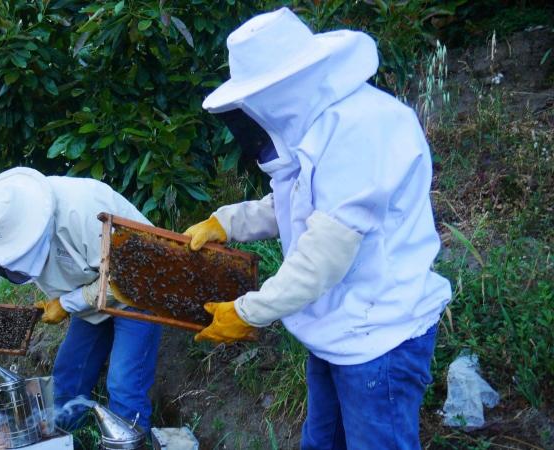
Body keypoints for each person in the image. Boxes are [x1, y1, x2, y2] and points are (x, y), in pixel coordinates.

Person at [183, 8, 451, 450]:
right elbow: (294, 203)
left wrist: (248, 310)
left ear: (279, 92)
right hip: (335, 328)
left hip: (378, 336)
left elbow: (324, 253)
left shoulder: (364, 128)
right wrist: (227, 222)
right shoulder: (319, 128)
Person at [0, 167, 162, 431]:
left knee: (123, 383)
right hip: (89, 286)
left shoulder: (84, 211)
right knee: (68, 374)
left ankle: (128, 441)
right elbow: (0, 247)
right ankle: (64, 437)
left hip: (139, 287)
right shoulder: (15, 208)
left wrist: (65, 304)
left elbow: (130, 276)